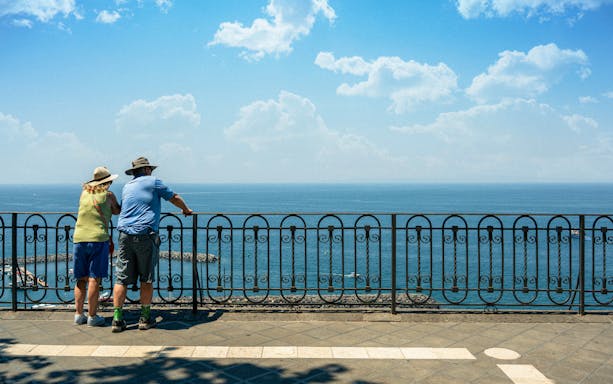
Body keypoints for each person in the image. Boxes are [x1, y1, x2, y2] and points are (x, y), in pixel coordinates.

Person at [112, 157, 193, 332]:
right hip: (145, 234)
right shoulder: (154, 182)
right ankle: (145, 318)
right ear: (148, 170)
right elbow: (174, 197)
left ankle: (117, 319)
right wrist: (186, 210)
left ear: (134, 172)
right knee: (146, 277)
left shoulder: (127, 186)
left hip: (124, 234)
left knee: (122, 278)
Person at [73, 166, 121, 326]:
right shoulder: (108, 195)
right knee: (94, 278)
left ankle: (79, 315)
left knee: (81, 279)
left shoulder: (84, 193)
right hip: (98, 239)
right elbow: (117, 211)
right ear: (107, 182)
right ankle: (93, 316)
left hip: (79, 238)